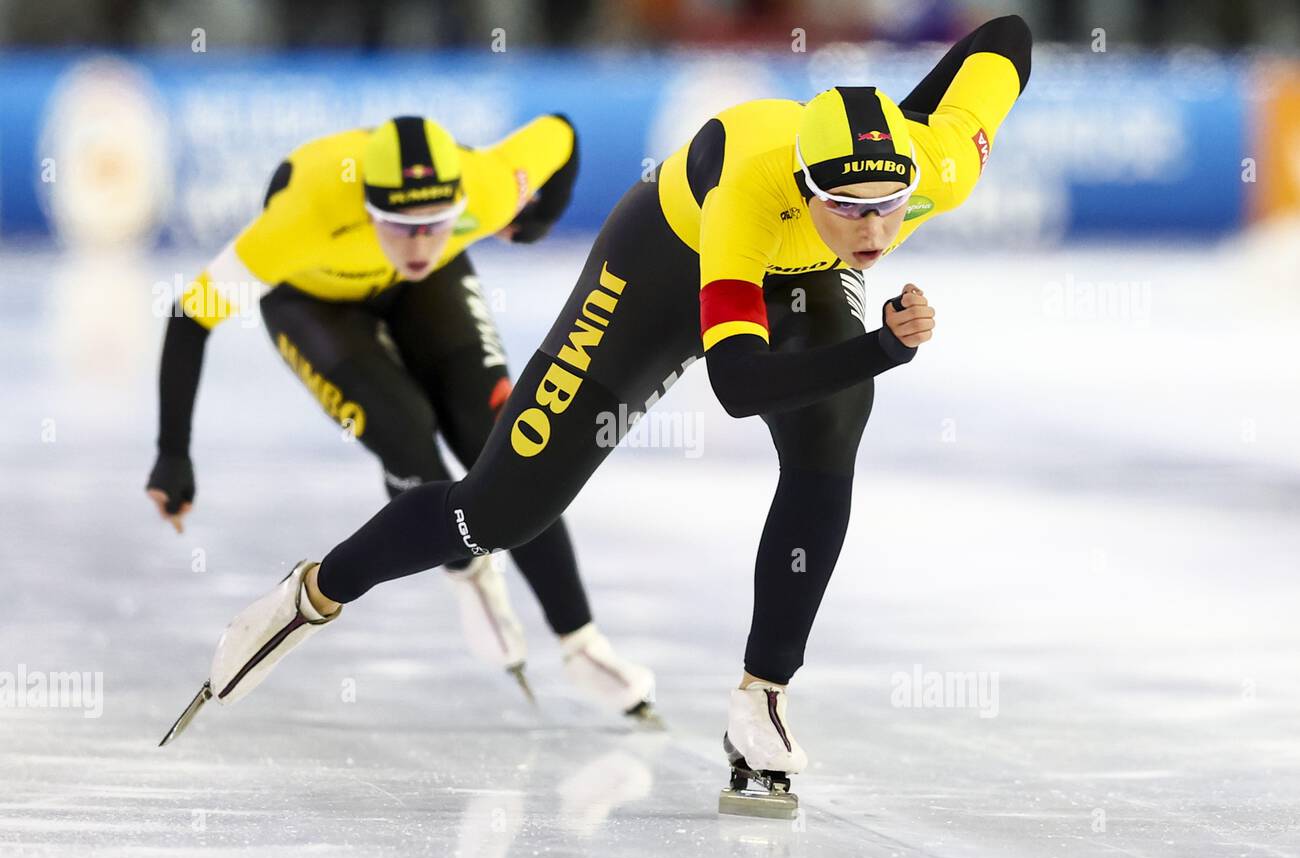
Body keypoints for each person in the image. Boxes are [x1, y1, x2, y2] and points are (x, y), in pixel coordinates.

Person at [174, 15, 1032, 812]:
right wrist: (883, 344)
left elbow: (1009, 36)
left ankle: (761, 697)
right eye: (844, 206)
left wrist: (907, 113)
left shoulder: (942, 165)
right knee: (498, 513)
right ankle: (310, 595)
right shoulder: (748, 197)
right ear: (805, 186)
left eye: (888, 204)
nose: (872, 231)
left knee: (833, 424)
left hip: (802, 272)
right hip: (663, 262)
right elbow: (736, 384)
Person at [147, 114, 655, 719]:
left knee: (511, 439)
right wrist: (172, 452)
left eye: (436, 225)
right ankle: (467, 570)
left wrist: (538, 219)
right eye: (400, 227)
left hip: (431, 290)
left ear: (460, 204)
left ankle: (581, 642)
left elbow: (563, 132)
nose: (418, 245)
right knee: (408, 438)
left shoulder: (489, 186)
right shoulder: (302, 218)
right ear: (366, 209)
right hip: (313, 301)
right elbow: (189, 316)